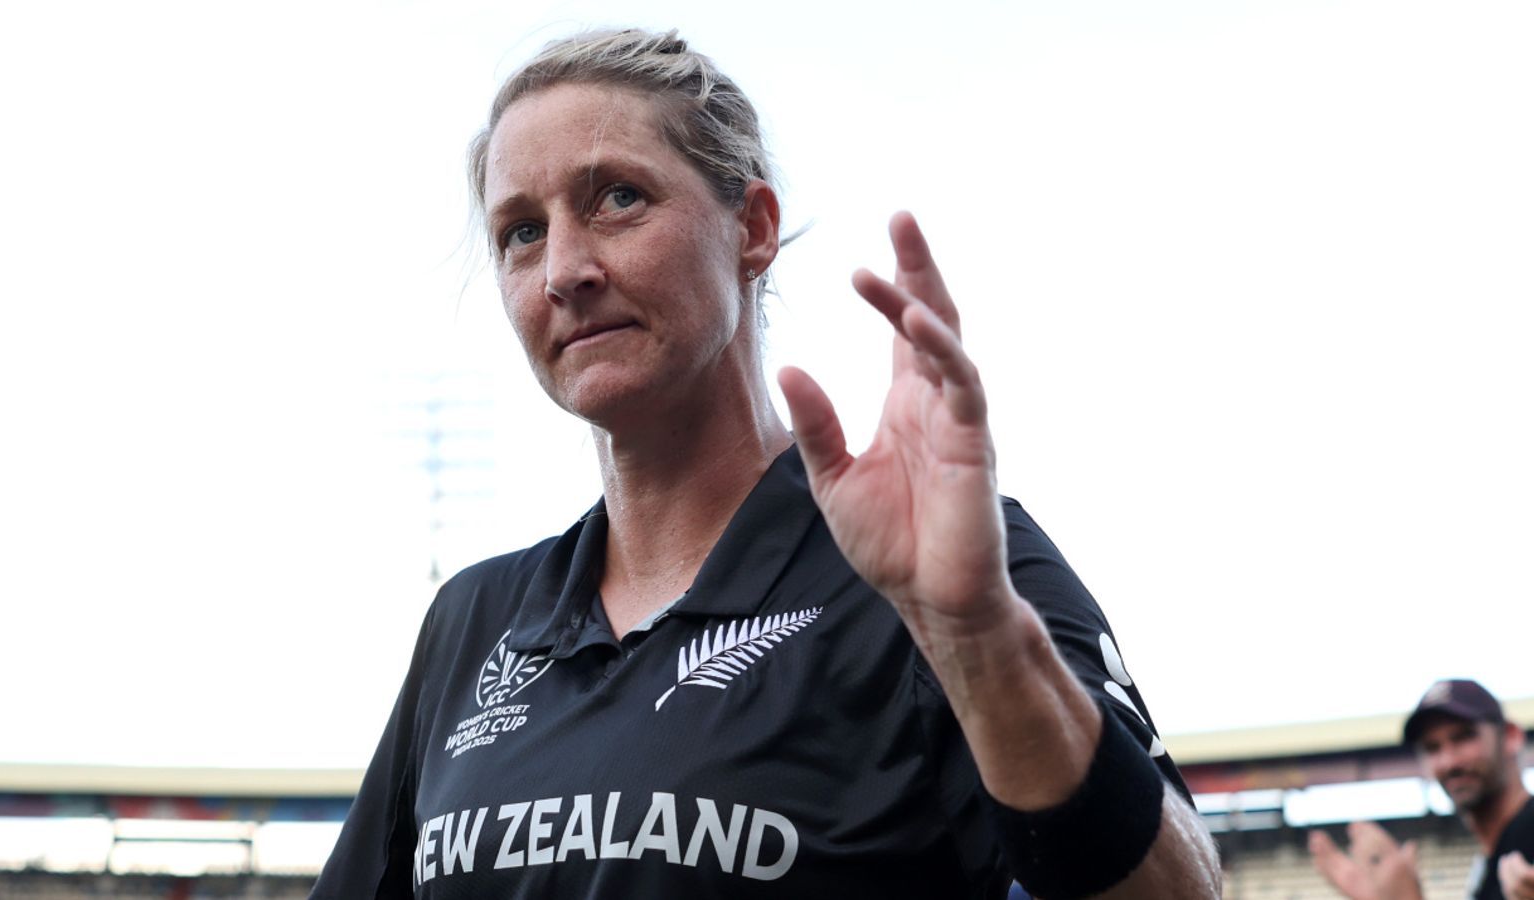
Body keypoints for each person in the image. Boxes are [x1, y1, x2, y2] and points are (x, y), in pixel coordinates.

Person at [310, 28, 1220, 899]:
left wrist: (977, 639)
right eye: (521, 232)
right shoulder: (474, 620)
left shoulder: (946, 569)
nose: (563, 270)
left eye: (617, 198)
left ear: (752, 227)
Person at [1309, 679, 1534, 900]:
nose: (1449, 762)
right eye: (1432, 747)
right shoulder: (1492, 862)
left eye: (1463, 737)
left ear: (1511, 736)